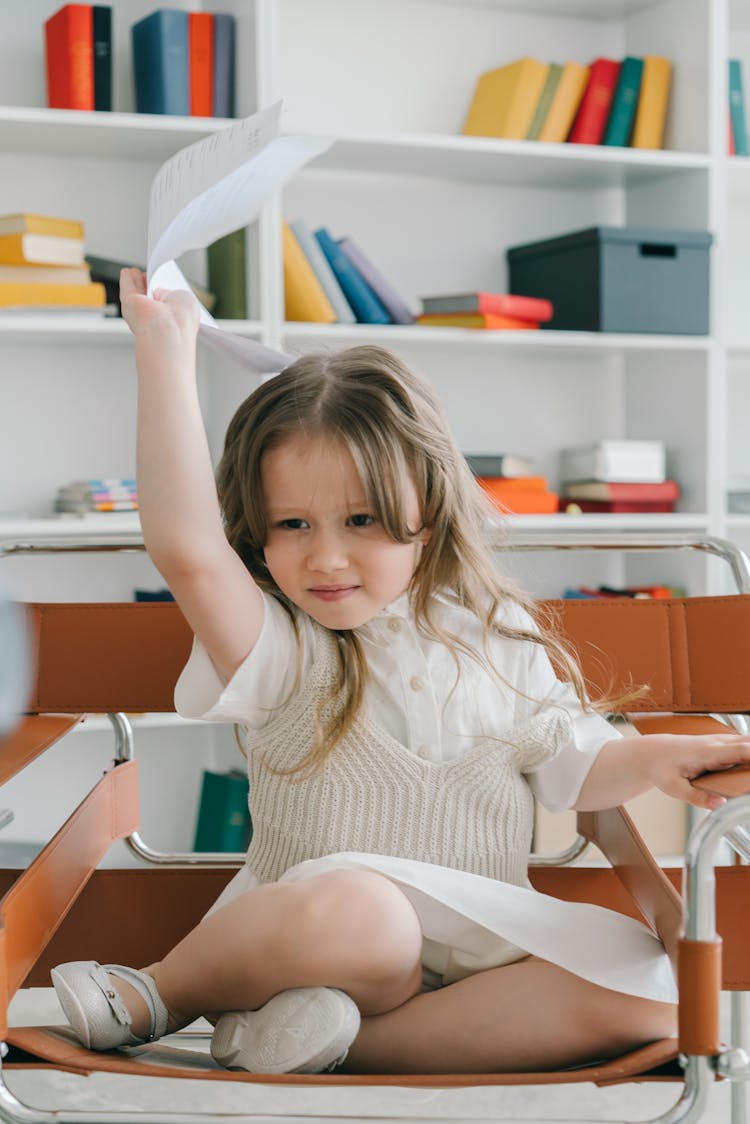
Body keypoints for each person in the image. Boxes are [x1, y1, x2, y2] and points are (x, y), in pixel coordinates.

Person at [52, 269, 750, 1077]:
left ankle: (325, 1043)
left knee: (658, 994)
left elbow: (576, 759)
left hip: (473, 950)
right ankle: (160, 995)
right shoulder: (284, 645)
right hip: (319, 941)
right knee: (372, 922)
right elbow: (191, 555)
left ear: (429, 511)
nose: (325, 557)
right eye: (291, 524)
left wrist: (661, 762)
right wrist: (163, 354)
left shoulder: (496, 635)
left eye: (361, 520)